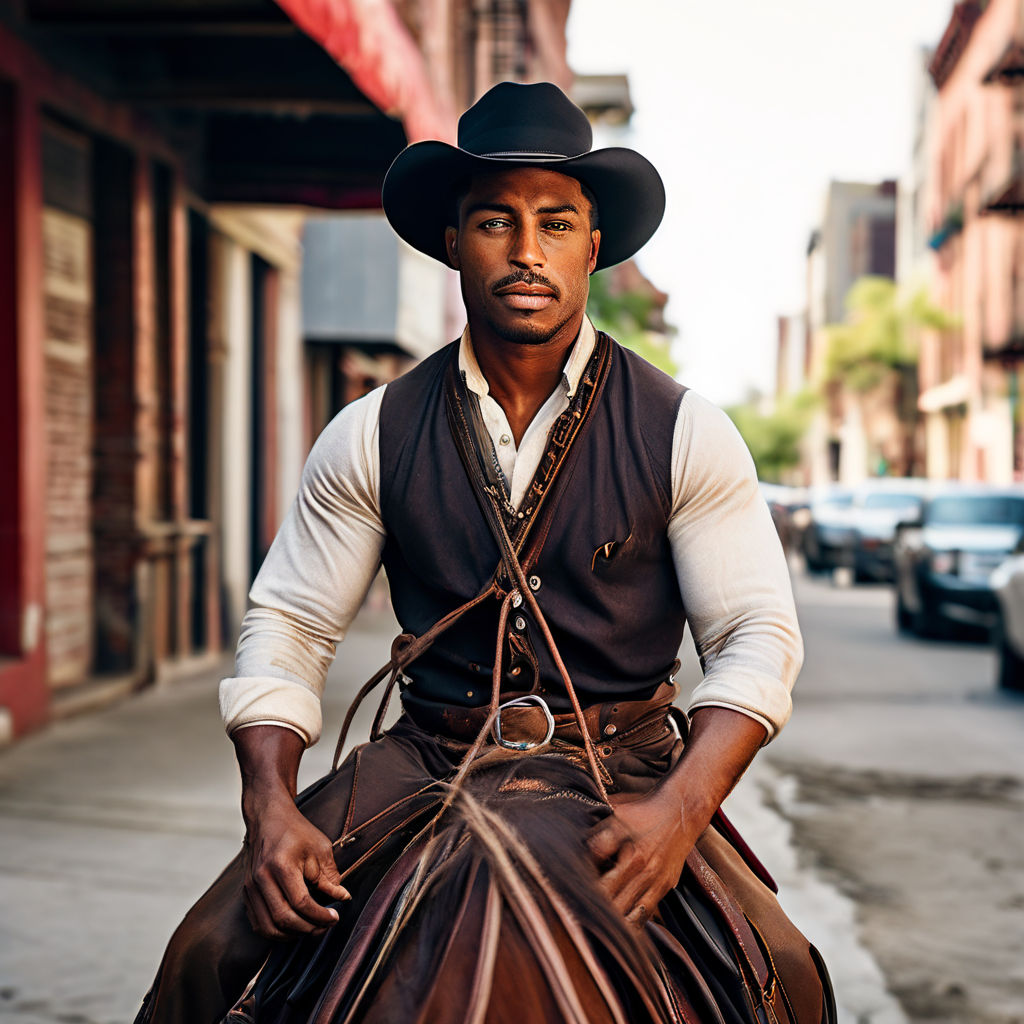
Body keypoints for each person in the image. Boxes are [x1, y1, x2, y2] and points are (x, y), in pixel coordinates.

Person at [135, 82, 829, 1024]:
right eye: (496, 221)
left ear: (594, 244)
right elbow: (291, 622)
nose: (528, 249)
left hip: (623, 767)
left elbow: (753, 636)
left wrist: (682, 810)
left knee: (788, 973)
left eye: (556, 221)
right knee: (202, 956)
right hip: (426, 757)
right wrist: (271, 806)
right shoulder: (370, 431)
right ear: (455, 242)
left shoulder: (685, 430)